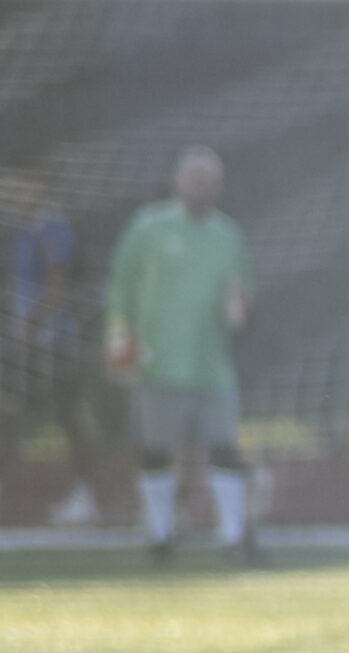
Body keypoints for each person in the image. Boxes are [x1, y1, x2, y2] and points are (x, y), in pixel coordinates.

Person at [104, 146, 260, 564]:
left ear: (220, 186)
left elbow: (241, 298)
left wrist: (238, 308)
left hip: (212, 367)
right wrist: (120, 342)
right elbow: (120, 289)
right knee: (156, 449)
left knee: (224, 447)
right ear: (177, 181)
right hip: (159, 364)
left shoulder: (229, 236)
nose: (202, 186)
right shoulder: (148, 229)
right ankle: (160, 536)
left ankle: (232, 538)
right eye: (195, 177)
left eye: (210, 179)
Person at [1, 169, 105, 526]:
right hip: (32, 342)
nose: (13, 192)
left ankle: (85, 494)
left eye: (20, 184)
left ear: (41, 186)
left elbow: (57, 286)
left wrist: (30, 327)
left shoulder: (53, 228)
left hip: (54, 344)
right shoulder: (25, 230)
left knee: (67, 416)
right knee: (13, 411)